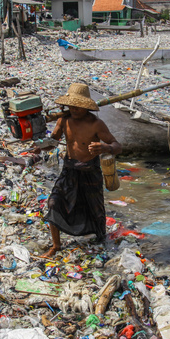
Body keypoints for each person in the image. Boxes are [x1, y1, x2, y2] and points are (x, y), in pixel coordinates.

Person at [36, 83, 121, 258]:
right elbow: (52, 142)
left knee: (95, 209)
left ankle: (101, 239)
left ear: (86, 106)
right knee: (54, 203)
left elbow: (117, 146)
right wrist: (39, 147)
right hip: (69, 170)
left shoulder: (96, 124)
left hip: (91, 171)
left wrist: (104, 148)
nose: (74, 109)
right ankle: (56, 246)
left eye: (78, 106)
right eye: (71, 105)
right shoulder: (64, 120)